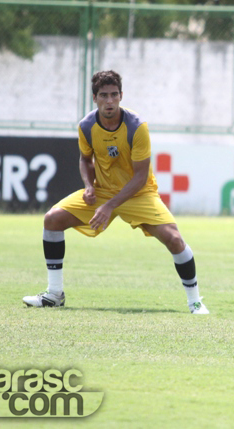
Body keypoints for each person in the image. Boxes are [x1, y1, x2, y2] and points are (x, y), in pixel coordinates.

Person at [23, 70, 209, 314]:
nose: (109, 101)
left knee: (174, 239)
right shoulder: (87, 126)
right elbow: (85, 160)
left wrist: (109, 206)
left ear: (121, 96)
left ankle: (195, 301)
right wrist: (89, 186)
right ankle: (54, 294)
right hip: (103, 191)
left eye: (113, 95)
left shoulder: (137, 127)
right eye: (103, 96)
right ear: (94, 98)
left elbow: (141, 176)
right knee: (52, 219)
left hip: (139, 193)